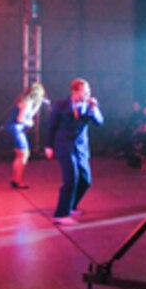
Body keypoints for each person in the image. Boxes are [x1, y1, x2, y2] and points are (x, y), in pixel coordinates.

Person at [43, 77, 103, 221]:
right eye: (85, 91)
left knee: (86, 180)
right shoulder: (61, 105)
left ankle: (71, 206)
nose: (88, 94)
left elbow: (99, 122)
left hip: (81, 148)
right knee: (71, 179)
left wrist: (94, 109)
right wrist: (48, 145)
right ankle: (61, 214)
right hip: (64, 145)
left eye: (89, 91)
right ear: (75, 92)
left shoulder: (89, 106)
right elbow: (51, 126)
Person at [9, 82, 47, 189]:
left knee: (20, 155)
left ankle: (15, 179)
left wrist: (38, 106)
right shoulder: (27, 102)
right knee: (24, 154)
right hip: (16, 129)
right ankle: (18, 181)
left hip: (13, 129)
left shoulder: (26, 100)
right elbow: (20, 119)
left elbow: (29, 115)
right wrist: (29, 123)